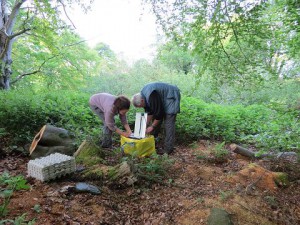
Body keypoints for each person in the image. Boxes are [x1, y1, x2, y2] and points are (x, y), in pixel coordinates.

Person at [132, 82, 181, 154]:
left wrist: (152, 126)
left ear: (142, 101)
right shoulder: (143, 95)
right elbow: (150, 112)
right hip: (162, 99)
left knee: (168, 125)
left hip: (171, 96)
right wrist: (143, 126)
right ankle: (153, 143)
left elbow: (159, 114)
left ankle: (168, 149)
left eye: (141, 106)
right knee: (154, 120)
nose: (142, 107)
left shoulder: (151, 96)